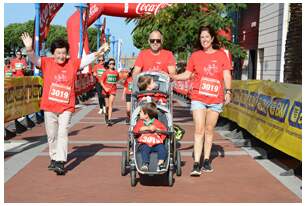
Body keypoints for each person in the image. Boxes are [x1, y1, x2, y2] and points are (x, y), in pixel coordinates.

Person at [21, 32, 108, 175]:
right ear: (53, 53)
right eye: (58, 53)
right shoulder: (46, 62)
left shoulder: (72, 63)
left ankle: (61, 161)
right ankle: (54, 158)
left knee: (62, 132)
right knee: (52, 134)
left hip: (66, 106)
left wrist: (100, 51)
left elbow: (87, 60)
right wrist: (29, 49)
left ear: (67, 53)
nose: (61, 56)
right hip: (49, 106)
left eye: (63, 53)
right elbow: (34, 59)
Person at [170, 26, 232, 176]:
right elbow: (187, 74)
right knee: (199, 129)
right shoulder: (195, 56)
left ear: (212, 38)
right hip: (198, 97)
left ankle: (206, 160)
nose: (204, 39)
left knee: (209, 130)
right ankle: (196, 163)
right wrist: (174, 77)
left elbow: (226, 75)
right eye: (201, 37)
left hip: (215, 98)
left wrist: (228, 91)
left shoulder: (222, 55)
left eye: (207, 37)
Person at [133, 102, 167, 172]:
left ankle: (160, 164)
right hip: (145, 143)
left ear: (146, 115)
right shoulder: (140, 122)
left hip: (156, 143)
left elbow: (164, 131)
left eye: (141, 113)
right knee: (144, 149)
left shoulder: (157, 122)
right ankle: (145, 163)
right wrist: (147, 128)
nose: (139, 114)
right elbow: (136, 131)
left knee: (162, 149)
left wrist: (157, 129)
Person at [100, 58, 119, 126]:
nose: (112, 65)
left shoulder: (116, 72)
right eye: (110, 64)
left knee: (111, 104)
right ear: (108, 65)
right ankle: (106, 115)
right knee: (107, 106)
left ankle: (109, 119)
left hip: (113, 91)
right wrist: (105, 88)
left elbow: (117, 79)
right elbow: (101, 82)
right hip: (105, 91)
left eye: (113, 64)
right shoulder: (105, 72)